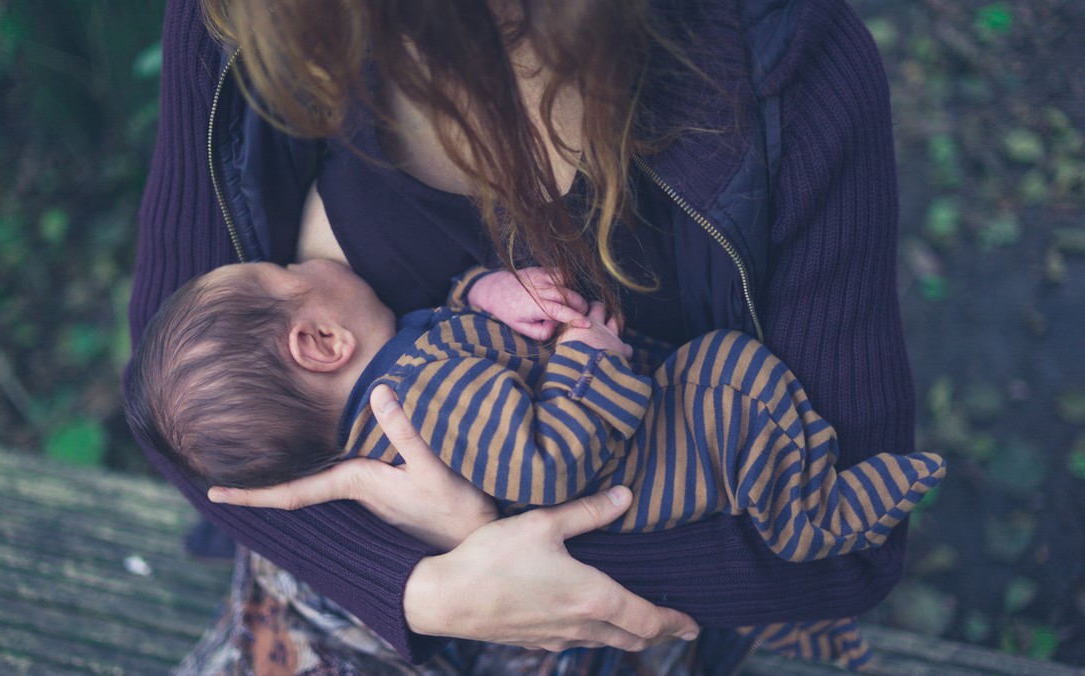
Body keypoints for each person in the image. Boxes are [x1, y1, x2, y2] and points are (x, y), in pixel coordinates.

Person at [127, 0, 916, 672]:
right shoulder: (262, 19)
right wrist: (423, 584)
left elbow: (850, 550)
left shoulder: (789, 70)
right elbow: (176, 418)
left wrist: (492, 544)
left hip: (606, 633)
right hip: (329, 596)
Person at [129, 258, 943, 566]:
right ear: (319, 340)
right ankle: (810, 516)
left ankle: (805, 483)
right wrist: (588, 362)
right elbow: (545, 464)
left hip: (654, 441)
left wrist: (483, 292)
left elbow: (446, 327)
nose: (309, 257)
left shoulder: (402, 374)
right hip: (667, 456)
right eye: (284, 267)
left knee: (738, 379)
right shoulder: (426, 395)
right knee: (733, 379)